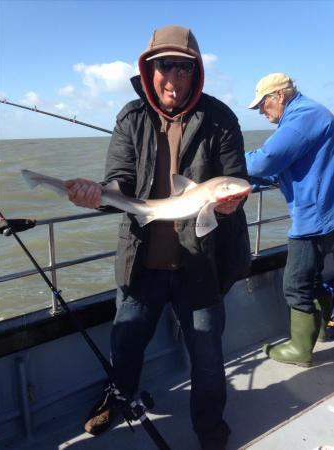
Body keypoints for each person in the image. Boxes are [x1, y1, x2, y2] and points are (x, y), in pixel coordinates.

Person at [65, 25, 251, 450]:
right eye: (165, 66)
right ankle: (120, 396)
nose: (174, 77)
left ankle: (211, 430)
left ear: (197, 72)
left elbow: (236, 178)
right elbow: (119, 178)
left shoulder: (221, 118)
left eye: (184, 68)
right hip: (142, 260)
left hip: (200, 265)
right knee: (125, 342)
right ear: (149, 70)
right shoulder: (131, 117)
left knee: (207, 360)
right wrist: (98, 194)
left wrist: (231, 202)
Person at [245, 73, 334, 366]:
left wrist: (225, 160)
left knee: (295, 283)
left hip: (314, 217)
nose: (261, 111)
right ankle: (322, 331)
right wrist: (243, 184)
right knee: (312, 276)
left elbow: (265, 160)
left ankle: (300, 349)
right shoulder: (304, 116)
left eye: (262, 104)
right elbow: (277, 170)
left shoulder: (304, 115)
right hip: (320, 213)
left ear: (279, 96)